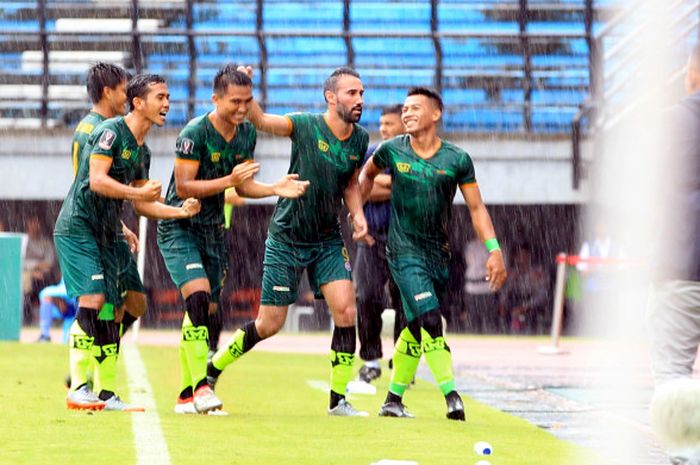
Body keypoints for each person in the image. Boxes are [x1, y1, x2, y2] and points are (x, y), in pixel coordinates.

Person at [207, 66, 371, 417]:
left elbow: (350, 182)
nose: (359, 100)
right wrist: (246, 89)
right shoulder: (305, 124)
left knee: (346, 310)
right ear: (331, 97)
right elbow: (263, 120)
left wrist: (357, 213)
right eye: (352, 93)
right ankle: (214, 368)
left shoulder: (360, 139)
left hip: (327, 239)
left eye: (361, 93)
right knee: (270, 324)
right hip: (287, 237)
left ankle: (338, 399)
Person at [157, 64, 309, 415]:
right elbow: (183, 187)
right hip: (181, 225)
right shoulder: (194, 132)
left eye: (248, 102)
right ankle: (200, 389)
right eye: (235, 102)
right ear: (216, 99)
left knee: (207, 310)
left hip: (212, 231)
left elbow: (242, 185)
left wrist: (273, 188)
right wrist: (228, 180)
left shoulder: (245, 135)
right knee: (197, 299)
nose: (242, 110)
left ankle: (185, 395)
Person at [54, 73, 202, 412]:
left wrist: (180, 212)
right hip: (79, 228)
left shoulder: (142, 149)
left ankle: (105, 391)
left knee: (122, 305)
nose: (167, 104)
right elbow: (96, 181)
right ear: (137, 102)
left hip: (107, 232)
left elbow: (142, 204)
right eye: (160, 97)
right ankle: (78, 385)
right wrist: (138, 192)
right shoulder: (110, 132)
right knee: (94, 298)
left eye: (168, 97)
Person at [358, 87, 507, 420]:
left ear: (435, 114)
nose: (407, 113)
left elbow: (477, 207)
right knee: (430, 319)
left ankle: (393, 400)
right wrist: (358, 213)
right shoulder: (390, 150)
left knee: (414, 325)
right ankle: (451, 395)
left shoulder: (457, 159)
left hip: (438, 255)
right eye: (405, 109)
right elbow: (363, 177)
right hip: (401, 250)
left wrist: (494, 250)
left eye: (414, 108)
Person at [62, 62, 145, 396]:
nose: (128, 96)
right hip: (89, 228)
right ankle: (88, 374)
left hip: (108, 227)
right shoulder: (93, 129)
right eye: (125, 89)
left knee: (134, 304)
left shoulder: (118, 129)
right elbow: (88, 180)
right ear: (108, 91)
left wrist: (120, 224)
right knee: (102, 302)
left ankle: (94, 356)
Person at [646, 43, 700, 465]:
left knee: (672, 372)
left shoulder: (671, 121)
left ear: (692, 70)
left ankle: (683, 456)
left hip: (681, 261)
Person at [354, 104, 407, 384]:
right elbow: (362, 191)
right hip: (372, 236)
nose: (384, 129)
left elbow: (413, 193)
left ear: (405, 125)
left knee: (406, 303)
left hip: (405, 242)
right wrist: (393, 183)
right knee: (366, 296)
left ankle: (402, 361)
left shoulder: (413, 154)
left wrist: (379, 183)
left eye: (390, 123)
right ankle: (371, 359)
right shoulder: (371, 153)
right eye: (382, 124)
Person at [498, 243, 548, 334]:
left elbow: (542, 294)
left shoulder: (538, 272)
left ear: (530, 256)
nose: (522, 259)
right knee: (504, 313)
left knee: (528, 318)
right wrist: (502, 304)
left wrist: (525, 306)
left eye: (525, 256)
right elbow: (505, 290)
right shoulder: (512, 272)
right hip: (515, 300)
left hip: (532, 303)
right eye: (519, 256)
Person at [22, 214, 57, 323]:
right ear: (27, 224)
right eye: (32, 222)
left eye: (36, 223)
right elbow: (19, 261)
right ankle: (26, 319)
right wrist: (34, 268)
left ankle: (49, 318)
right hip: (25, 274)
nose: (34, 225)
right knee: (25, 288)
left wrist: (35, 267)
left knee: (46, 285)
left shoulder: (45, 242)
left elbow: (49, 262)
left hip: (44, 275)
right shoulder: (23, 241)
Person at [462, 237, 500, 333]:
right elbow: (469, 262)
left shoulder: (492, 245)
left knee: (488, 318)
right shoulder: (470, 246)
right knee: (472, 318)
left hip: (486, 287)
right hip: (471, 287)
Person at [36, 277, 77, 344]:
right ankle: (45, 335)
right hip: (68, 312)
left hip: (81, 312)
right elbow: (45, 294)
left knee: (69, 341)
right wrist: (59, 301)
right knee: (47, 298)